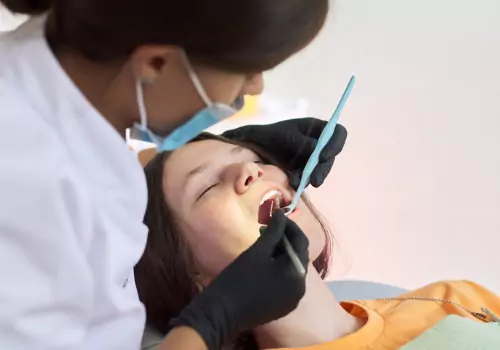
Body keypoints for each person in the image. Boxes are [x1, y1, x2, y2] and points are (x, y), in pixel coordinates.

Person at [0, 0, 351, 349]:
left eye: (256, 159)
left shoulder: (69, 61)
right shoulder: (25, 182)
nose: (254, 87)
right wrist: (216, 317)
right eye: (246, 70)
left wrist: (218, 151)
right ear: (156, 62)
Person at [137, 133, 500, 350]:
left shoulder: (455, 297)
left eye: (254, 158)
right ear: (192, 276)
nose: (251, 171)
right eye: (207, 187)